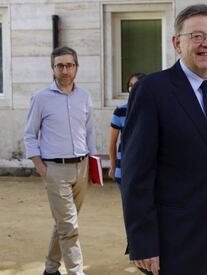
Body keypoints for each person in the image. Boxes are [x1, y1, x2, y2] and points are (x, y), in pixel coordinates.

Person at [121, 4, 207, 275]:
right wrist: (143, 242)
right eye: (197, 36)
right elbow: (136, 173)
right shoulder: (152, 90)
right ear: (177, 43)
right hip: (176, 241)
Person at [23, 46, 96, 275]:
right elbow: (29, 134)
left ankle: (50, 268)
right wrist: (41, 167)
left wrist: (93, 166)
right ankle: (76, 272)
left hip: (82, 168)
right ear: (53, 68)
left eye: (69, 65)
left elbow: (90, 132)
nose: (65, 70)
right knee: (70, 226)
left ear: (76, 67)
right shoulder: (41, 98)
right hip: (55, 170)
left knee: (64, 224)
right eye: (60, 65)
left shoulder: (84, 97)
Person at [108, 72, 146, 190]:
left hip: (147, 169)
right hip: (124, 169)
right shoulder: (120, 111)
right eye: (131, 85)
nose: (133, 88)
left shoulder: (154, 109)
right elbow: (112, 143)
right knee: (129, 207)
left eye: (137, 85)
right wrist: (113, 167)